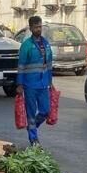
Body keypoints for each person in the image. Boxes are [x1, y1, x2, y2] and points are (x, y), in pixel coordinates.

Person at [16, 16, 53, 147]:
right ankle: (33, 139)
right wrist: (19, 84)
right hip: (30, 85)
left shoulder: (46, 43)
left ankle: (32, 127)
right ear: (31, 28)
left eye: (40, 26)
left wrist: (50, 82)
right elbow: (21, 66)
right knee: (31, 113)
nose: (39, 29)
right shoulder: (26, 45)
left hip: (43, 84)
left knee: (45, 111)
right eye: (36, 27)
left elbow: (49, 64)